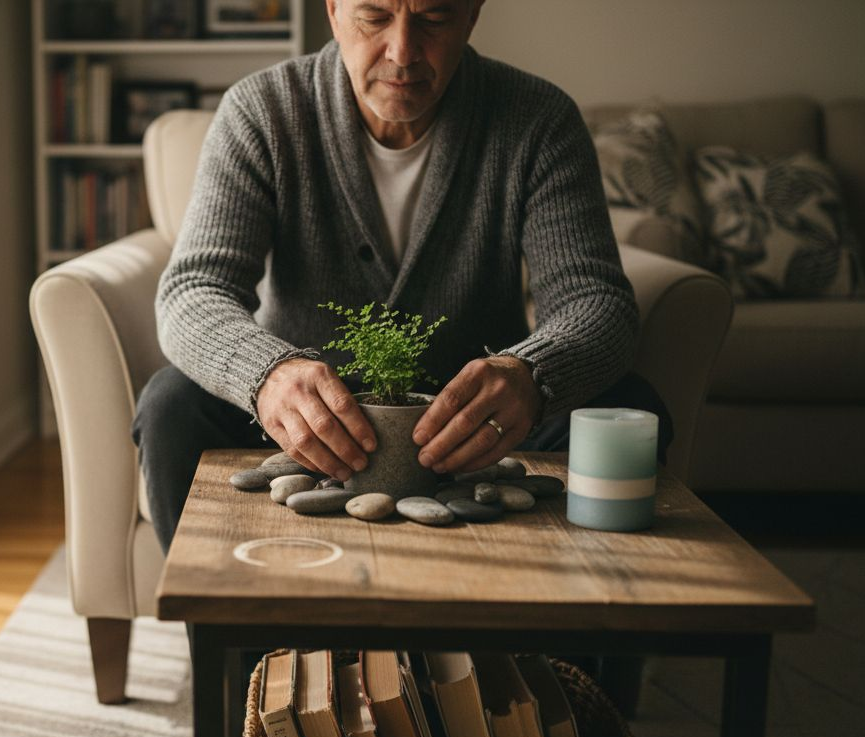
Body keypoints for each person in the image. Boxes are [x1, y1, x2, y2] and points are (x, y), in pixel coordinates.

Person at [134, 0, 673, 557]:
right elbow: (194, 289)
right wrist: (267, 375)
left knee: (630, 405)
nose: (402, 52)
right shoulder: (262, 110)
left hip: (476, 427)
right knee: (170, 404)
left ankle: (572, 640)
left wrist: (531, 375)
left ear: (472, 15)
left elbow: (596, 300)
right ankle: (234, 640)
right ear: (334, 11)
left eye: (434, 19)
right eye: (374, 15)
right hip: (306, 421)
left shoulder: (537, 118)